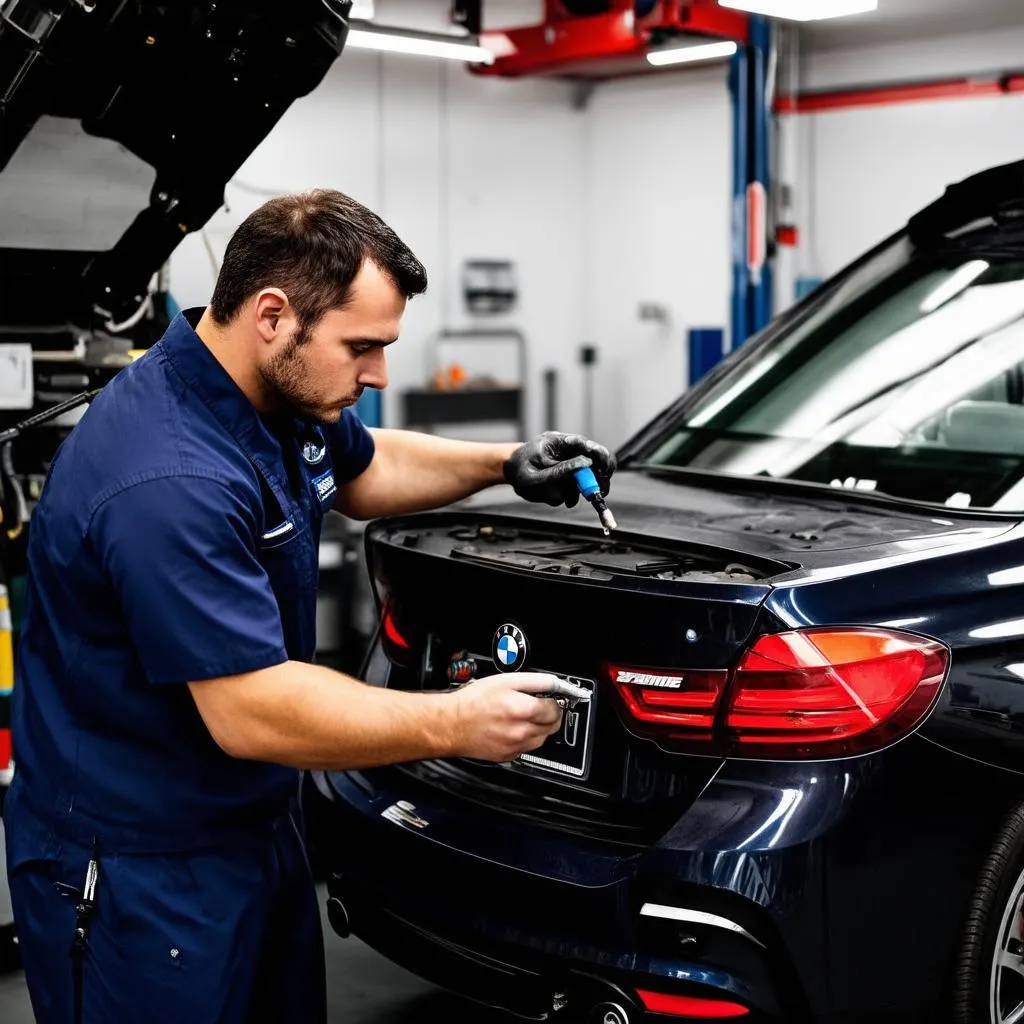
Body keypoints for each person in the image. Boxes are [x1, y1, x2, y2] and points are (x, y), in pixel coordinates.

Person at [2, 189, 615, 1023]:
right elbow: (252, 710)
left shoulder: (275, 396)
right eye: (361, 347)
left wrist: (505, 464)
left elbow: (365, 470)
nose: (379, 375)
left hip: (252, 829)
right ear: (271, 314)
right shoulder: (168, 477)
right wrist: (453, 723)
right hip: (138, 870)